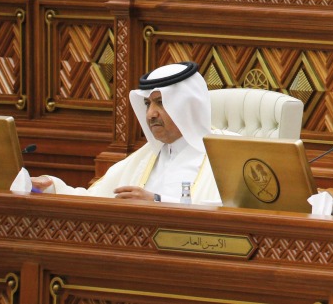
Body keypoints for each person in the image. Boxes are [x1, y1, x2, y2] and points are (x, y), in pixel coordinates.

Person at [31, 61, 223, 203]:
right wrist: (52, 187)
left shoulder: (225, 152)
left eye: (161, 103)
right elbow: (96, 200)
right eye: (147, 104)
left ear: (187, 106)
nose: (150, 114)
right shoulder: (147, 156)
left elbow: (232, 213)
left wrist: (156, 201)